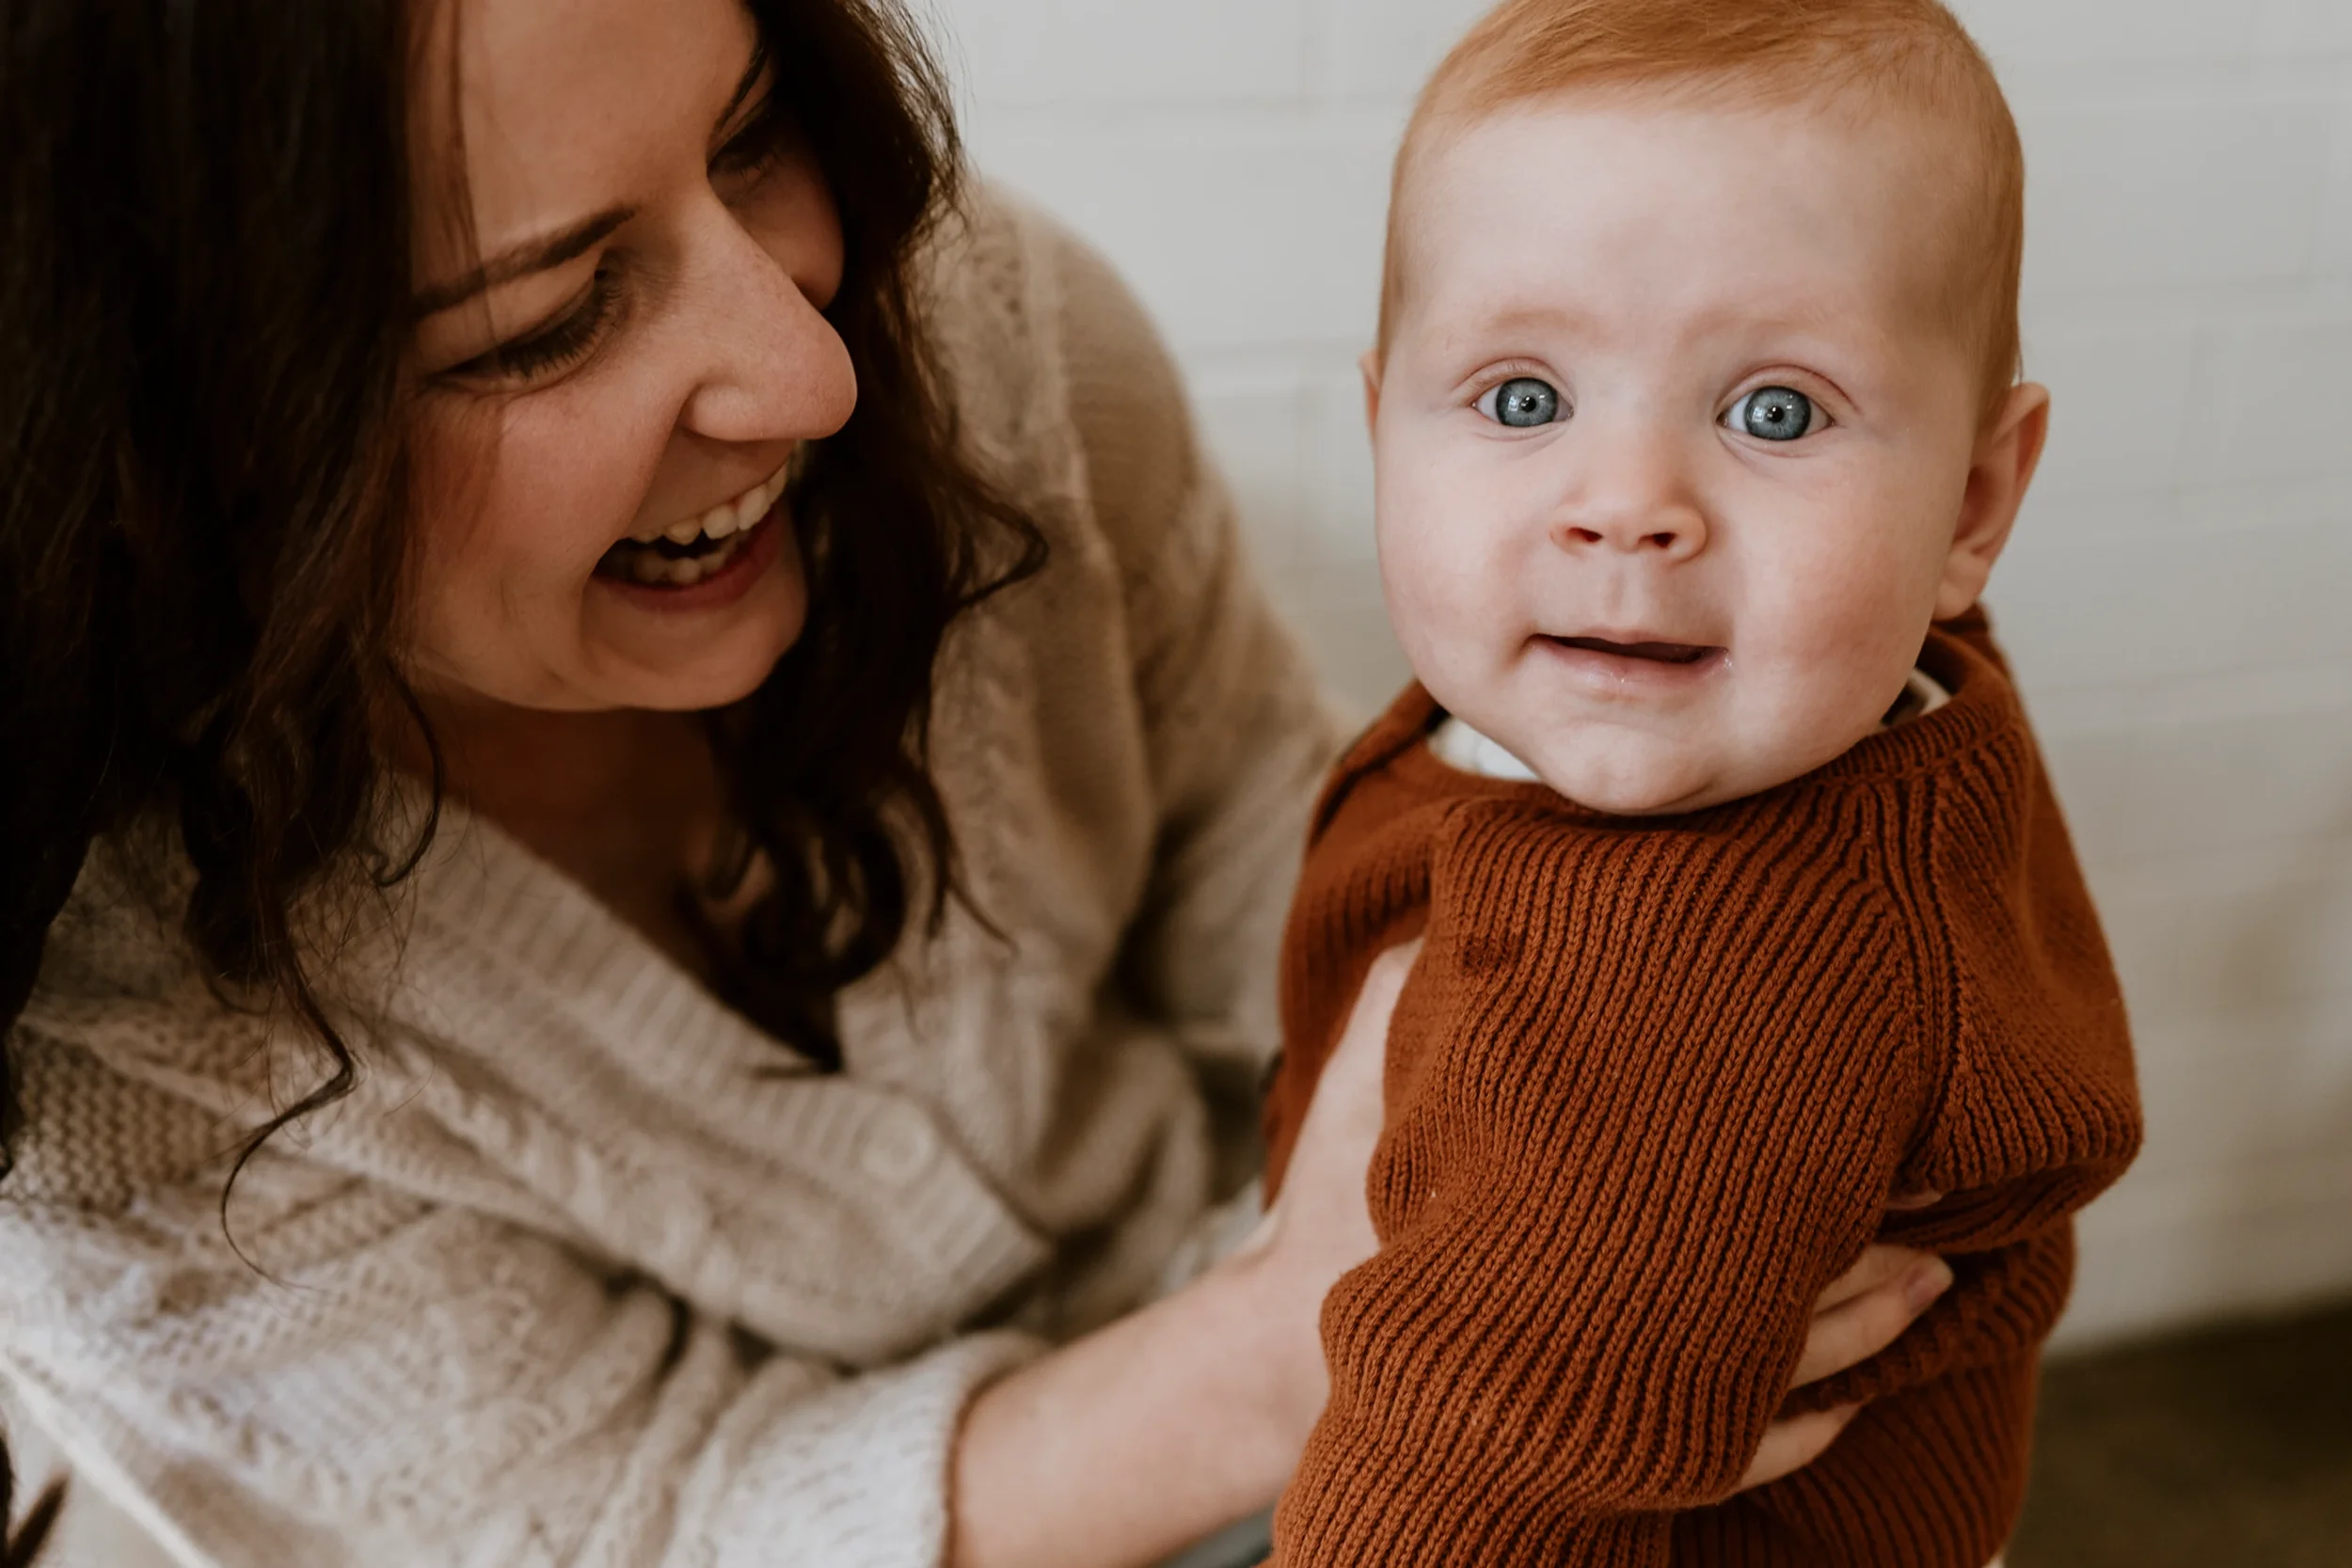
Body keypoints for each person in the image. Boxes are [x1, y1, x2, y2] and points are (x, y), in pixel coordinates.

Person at [0, 0, 1958, 1564]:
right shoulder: (87, 1057)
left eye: (750, 132)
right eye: (545, 319)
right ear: (164, 452)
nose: (813, 373)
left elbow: (1282, 901)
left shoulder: (984, 335)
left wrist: (1547, 1196)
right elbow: (637, 1526)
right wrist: (1305, 1351)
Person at [1255, 0, 2145, 1562]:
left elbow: (1479, 1471)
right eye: (1524, 399)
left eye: (1774, 410)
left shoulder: (1686, 967)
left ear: (1972, 500)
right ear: (1384, 419)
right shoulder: (1853, 688)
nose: (1626, 507)